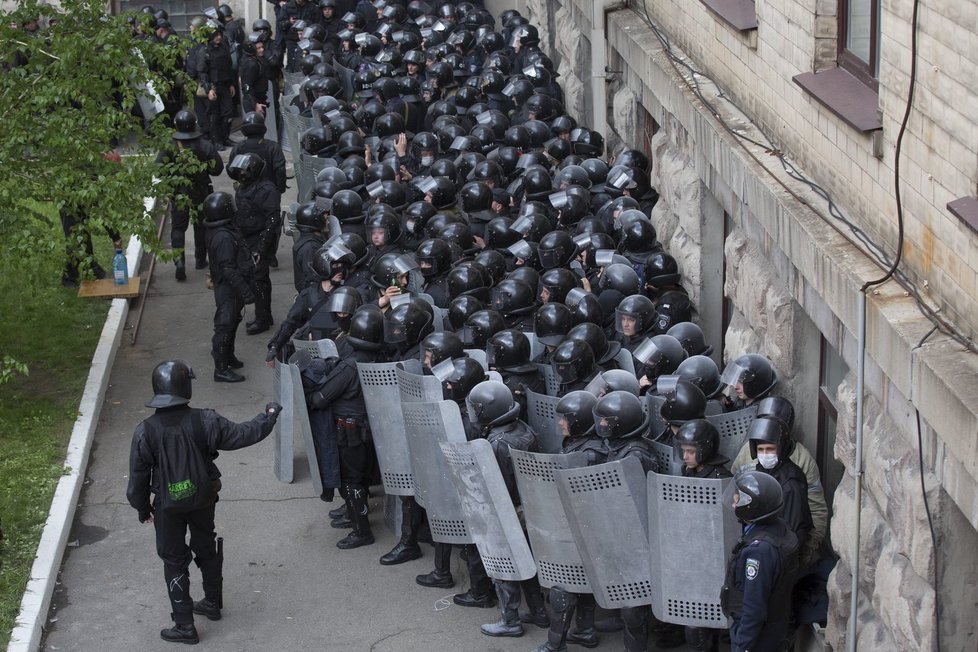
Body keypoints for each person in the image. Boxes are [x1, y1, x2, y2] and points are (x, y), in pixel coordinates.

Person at [126, 359, 281, 644]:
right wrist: (268, 415)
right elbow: (243, 434)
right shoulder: (206, 420)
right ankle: (211, 602)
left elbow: (137, 480)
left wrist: (142, 509)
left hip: (167, 507)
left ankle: (184, 626)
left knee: (173, 560)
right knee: (206, 547)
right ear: (186, 388)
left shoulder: (145, 431)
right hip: (203, 499)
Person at [721, 471, 799, 652]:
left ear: (753, 507)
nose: (733, 504)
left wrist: (743, 645)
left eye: (738, 499)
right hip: (775, 630)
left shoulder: (759, 552)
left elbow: (754, 607)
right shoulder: (779, 530)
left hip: (759, 639)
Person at [157, 110, 224, 280]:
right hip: (201, 192)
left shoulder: (169, 146)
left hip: (179, 193)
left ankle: (179, 263)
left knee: (178, 228)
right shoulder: (204, 144)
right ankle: (200, 260)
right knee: (201, 226)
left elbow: (159, 169)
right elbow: (217, 169)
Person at [202, 192, 255, 382]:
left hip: (231, 286)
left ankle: (228, 357)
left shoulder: (222, 230)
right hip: (229, 288)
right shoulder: (223, 236)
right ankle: (221, 369)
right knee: (225, 325)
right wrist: (246, 292)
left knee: (233, 321)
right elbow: (228, 268)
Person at [228, 153, 280, 335]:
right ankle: (265, 315)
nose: (241, 173)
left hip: (260, 238)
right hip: (248, 237)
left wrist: (262, 247)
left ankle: (262, 319)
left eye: (244, 170)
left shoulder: (266, 189)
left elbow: (273, 220)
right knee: (259, 279)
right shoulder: (245, 187)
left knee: (258, 280)